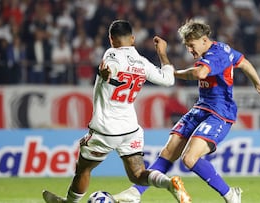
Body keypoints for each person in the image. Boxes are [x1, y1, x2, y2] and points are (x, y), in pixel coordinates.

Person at [113, 19, 260, 203]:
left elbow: (200, 74)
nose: (190, 50)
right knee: (168, 152)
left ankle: (231, 196)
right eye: (188, 46)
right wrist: (259, 85)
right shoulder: (223, 51)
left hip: (220, 113)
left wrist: (173, 73)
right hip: (201, 108)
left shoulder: (218, 54)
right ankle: (136, 193)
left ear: (205, 40)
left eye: (192, 45)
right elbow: (243, 62)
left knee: (189, 159)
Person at [42, 20, 191, 203]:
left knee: (84, 169)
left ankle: (69, 202)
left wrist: (106, 72)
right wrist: (162, 53)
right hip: (130, 129)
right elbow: (168, 80)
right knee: (138, 174)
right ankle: (170, 184)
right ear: (133, 39)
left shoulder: (111, 53)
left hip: (105, 129)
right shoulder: (142, 63)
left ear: (111, 39)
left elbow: (109, 66)